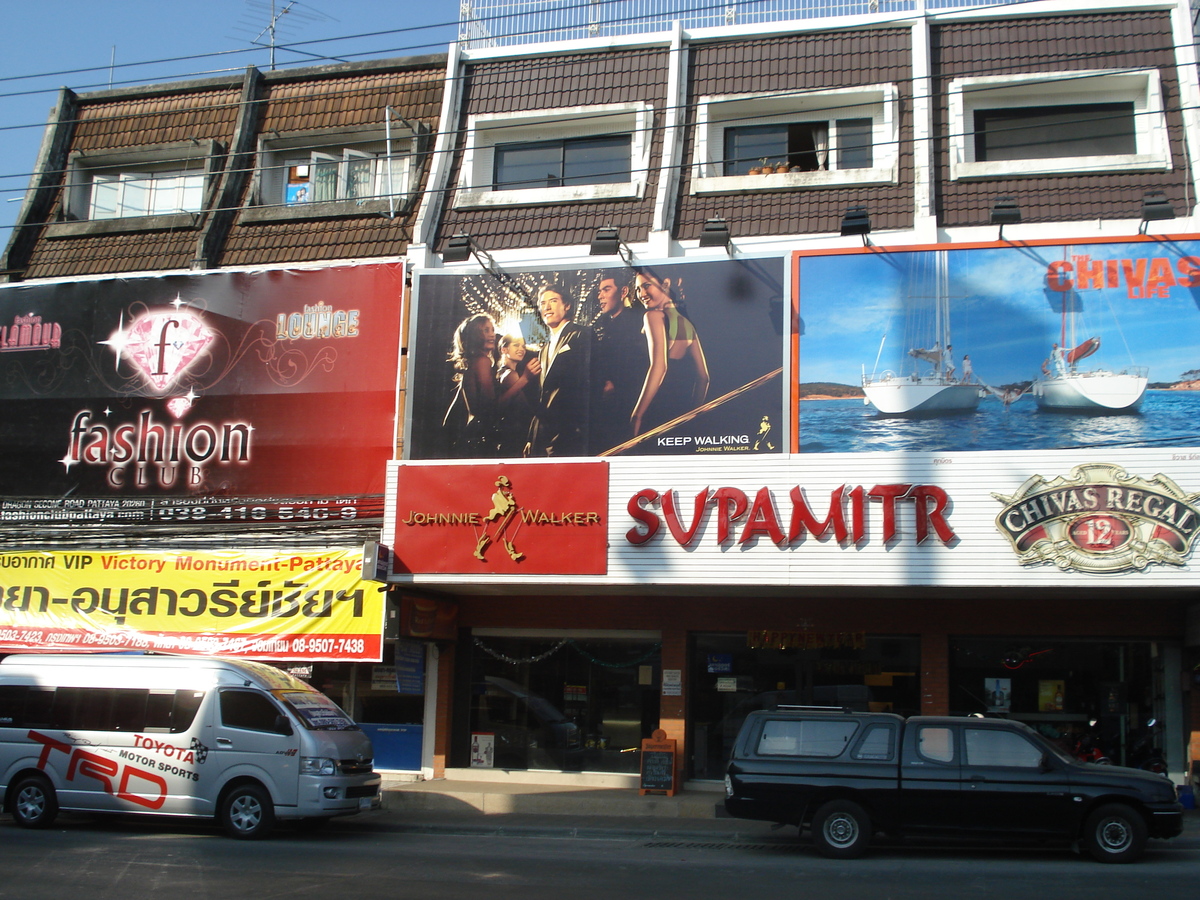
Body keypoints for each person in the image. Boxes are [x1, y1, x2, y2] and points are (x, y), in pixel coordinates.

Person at [630, 268, 709, 437]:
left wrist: (637, 415)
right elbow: (703, 377)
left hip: (651, 412)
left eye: (646, 286)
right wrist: (693, 415)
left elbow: (659, 367)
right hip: (674, 414)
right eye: (637, 289)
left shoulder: (652, 316)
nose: (641, 293)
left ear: (665, 284)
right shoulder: (687, 324)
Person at [526, 283, 594, 457]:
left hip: (569, 433)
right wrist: (531, 437)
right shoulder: (544, 349)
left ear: (567, 305)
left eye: (553, 301)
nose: (546, 307)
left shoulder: (582, 335)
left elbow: (591, 384)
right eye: (542, 303)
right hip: (543, 436)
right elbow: (543, 395)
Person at [591, 271, 645, 452]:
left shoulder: (636, 321)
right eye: (599, 291)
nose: (601, 296)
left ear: (623, 292)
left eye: (606, 289)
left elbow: (638, 363)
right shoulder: (603, 323)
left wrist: (615, 384)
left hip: (627, 404)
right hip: (606, 406)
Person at [444, 313, 501, 457]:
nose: (492, 335)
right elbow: (490, 408)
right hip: (476, 439)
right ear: (474, 336)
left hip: (467, 436)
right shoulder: (482, 361)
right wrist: (524, 379)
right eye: (485, 330)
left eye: (492, 329)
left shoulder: (472, 363)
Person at [495, 333, 541, 457]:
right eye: (516, 345)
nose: (521, 349)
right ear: (504, 349)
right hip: (514, 435)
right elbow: (525, 410)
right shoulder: (510, 375)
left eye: (523, 346)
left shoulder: (501, 372)